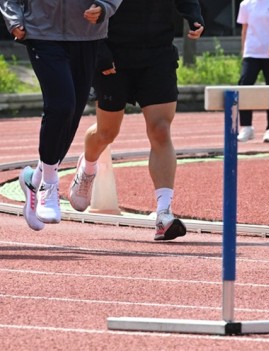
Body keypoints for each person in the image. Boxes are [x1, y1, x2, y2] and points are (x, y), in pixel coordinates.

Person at [68, 0, 205, 241]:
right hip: (113, 54)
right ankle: (88, 168)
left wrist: (194, 16)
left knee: (161, 129)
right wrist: (99, 51)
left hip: (157, 54)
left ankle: (164, 214)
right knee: (107, 133)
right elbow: (83, 11)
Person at [0, 0, 122, 231]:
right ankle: (49, 185)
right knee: (61, 105)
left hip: (87, 34)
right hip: (42, 32)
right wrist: (14, 19)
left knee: (73, 111)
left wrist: (105, 6)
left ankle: (33, 179)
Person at [236, 0, 269, 143]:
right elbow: (245, 28)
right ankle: (246, 126)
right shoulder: (245, 4)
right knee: (244, 85)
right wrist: (243, 51)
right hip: (251, 52)